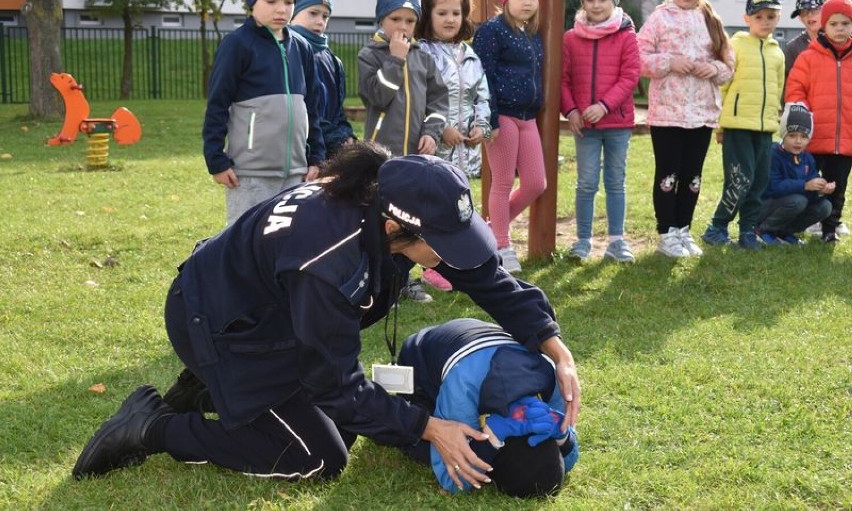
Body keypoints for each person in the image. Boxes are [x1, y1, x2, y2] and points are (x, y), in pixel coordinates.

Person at [71, 143, 581, 492]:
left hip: (261, 313)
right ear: (391, 228)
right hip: (216, 324)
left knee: (350, 425)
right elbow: (335, 384)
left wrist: (551, 343)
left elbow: (486, 276)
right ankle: (153, 427)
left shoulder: (393, 197)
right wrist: (429, 427)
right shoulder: (328, 261)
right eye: (439, 246)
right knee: (317, 457)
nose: (449, 255)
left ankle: (211, 388)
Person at [201, 0, 325, 226]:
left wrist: (316, 156)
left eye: (289, 1)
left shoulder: (302, 48)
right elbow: (218, 103)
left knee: (287, 239)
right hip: (250, 173)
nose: (282, 9)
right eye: (271, 0)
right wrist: (216, 159)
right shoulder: (238, 45)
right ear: (253, 0)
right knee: (246, 239)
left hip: (296, 172)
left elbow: (313, 107)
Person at [398, 318, 579, 498]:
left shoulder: (550, 376)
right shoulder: (465, 388)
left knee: (457, 439)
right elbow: (451, 477)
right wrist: (493, 438)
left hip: (473, 340)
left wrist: (562, 435)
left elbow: (567, 461)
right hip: (418, 356)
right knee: (417, 440)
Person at [637, 0, 734, 258]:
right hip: (667, 114)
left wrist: (714, 68)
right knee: (669, 173)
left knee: (693, 176)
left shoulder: (712, 20)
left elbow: (728, 65)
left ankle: (683, 230)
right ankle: (666, 233)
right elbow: (638, 59)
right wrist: (669, 62)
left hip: (702, 114)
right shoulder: (659, 19)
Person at [357, 0, 450, 302]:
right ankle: (376, 279)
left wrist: (431, 132)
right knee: (382, 219)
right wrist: (395, 60)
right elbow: (377, 97)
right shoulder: (370, 55)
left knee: (412, 218)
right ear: (381, 19)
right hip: (381, 158)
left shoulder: (423, 57)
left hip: (415, 157)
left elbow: (439, 101)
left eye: (410, 21)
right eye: (395, 19)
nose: (403, 27)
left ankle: (405, 280)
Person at [416, 0, 491, 292]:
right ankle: (428, 264)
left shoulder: (470, 56)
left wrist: (481, 126)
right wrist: (438, 128)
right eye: (442, 13)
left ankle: (458, 262)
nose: (450, 19)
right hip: (434, 147)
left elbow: (482, 96)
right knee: (431, 206)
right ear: (428, 16)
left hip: (465, 149)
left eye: (456, 13)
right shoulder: (421, 53)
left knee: (460, 205)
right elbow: (419, 97)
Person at [560, 0, 640, 263]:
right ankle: (582, 241)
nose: (596, 5)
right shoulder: (571, 38)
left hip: (616, 122)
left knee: (615, 181)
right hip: (586, 127)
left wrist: (604, 105)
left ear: (613, 2)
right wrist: (571, 111)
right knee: (586, 182)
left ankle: (617, 241)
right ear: (583, 2)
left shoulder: (626, 35)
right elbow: (563, 79)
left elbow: (630, 76)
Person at [472, 0, 547, 273]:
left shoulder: (531, 34)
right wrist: (489, 121)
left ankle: (487, 232)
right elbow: (483, 74)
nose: (527, 2)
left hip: (527, 116)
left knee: (535, 183)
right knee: (502, 182)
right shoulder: (492, 30)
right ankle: (501, 245)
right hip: (499, 117)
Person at [700, 0, 785, 250]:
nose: (765, 21)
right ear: (747, 18)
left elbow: (777, 89)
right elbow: (723, 86)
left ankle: (747, 230)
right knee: (740, 179)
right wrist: (720, 124)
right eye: (759, 16)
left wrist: (773, 120)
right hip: (737, 127)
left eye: (771, 16)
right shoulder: (735, 45)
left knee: (759, 182)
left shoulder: (777, 53)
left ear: (777, 18)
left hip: (764, 130)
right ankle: (717, 226)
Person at [786, 0, 852, 244]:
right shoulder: (808, 57)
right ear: (824, 25)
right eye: (833, 24)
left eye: (845, 23)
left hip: (845, 138)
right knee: (809, 182)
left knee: (838, 186)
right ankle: (801, 222)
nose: (839, 29)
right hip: (813, 137)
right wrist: (804, 115)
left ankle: (829, 228)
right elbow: (795, 90)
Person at [288, 0, 356, 158]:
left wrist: (348, 136)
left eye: (325, 16)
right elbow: (304, 111)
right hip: (304, 152)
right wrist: (338, 140)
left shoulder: (332, 60)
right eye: (313, 13)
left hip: (332, 150)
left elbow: (338, 112)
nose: (320, 21)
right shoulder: (290, 52)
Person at [755, 103, 834, 245]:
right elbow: (772, 187)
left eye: (804, 136)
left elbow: (809, 190)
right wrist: (804, 185)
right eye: (792, 135)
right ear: (783, 134)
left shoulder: (807, 158)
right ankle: (762, 230)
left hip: (790, 205)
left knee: (825, 206)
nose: (798, 141)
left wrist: (820, 191)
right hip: (764, 206)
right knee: (798, 201)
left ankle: (784, 232)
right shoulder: (772, 153)